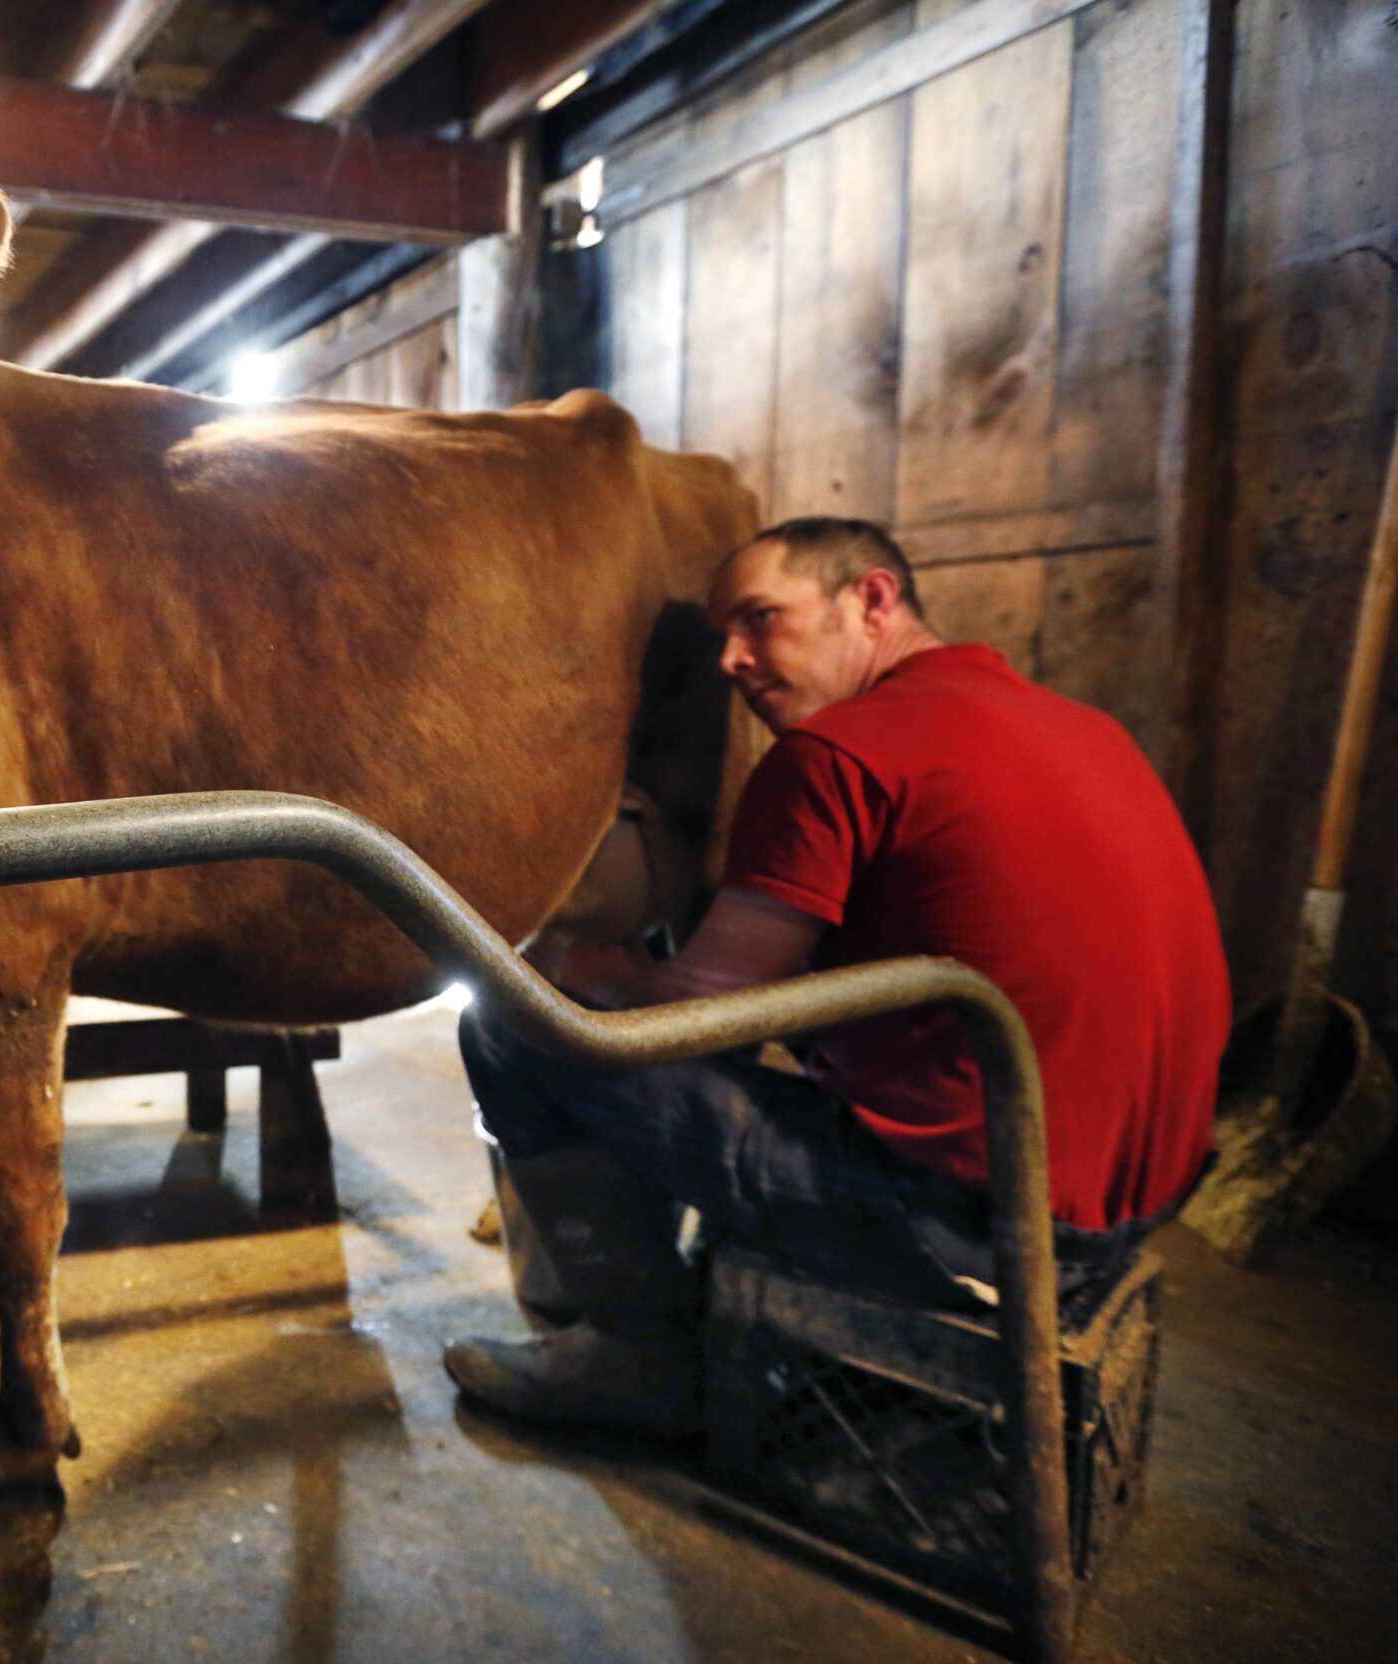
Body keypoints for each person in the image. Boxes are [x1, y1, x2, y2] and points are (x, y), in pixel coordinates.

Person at [444, 518, 1231, 1438]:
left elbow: (698, 1009)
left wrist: (595, 971)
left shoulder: (837, 753)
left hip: (984, 1232)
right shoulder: (1086, 727)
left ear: (873, 599)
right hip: (1137, 1209)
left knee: (510, 1027)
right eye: (720, 637)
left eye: (761, 618)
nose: (731, 660)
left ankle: (634, 1357)